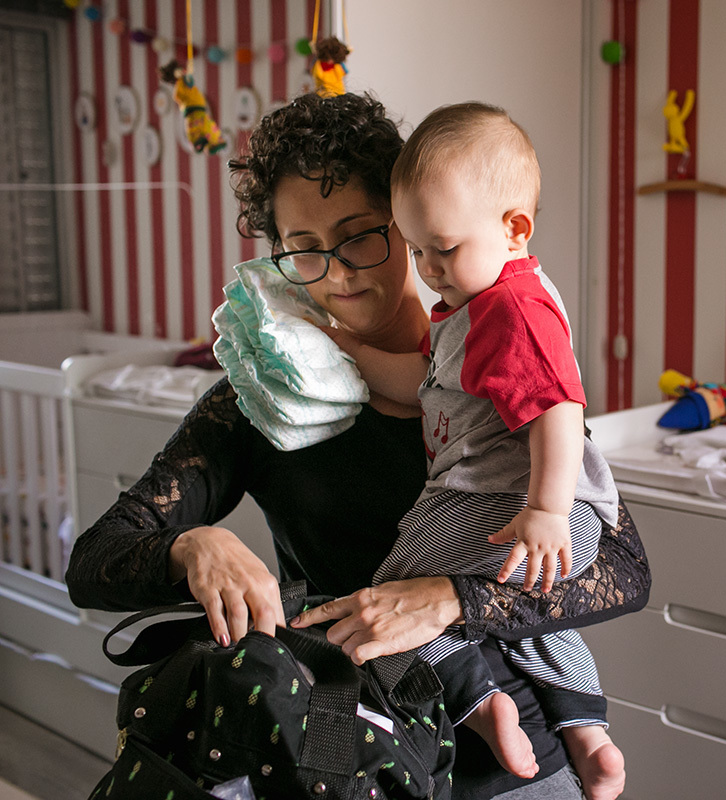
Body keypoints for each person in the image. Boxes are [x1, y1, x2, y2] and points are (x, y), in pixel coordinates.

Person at [64, 91, 649, 800]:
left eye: (360, 235)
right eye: (304, 251)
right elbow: (96, 558)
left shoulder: (493, 358)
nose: (338, 274)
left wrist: (449, 600)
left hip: (516, 759)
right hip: (345, 741)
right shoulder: (262, 401)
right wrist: (193, 547)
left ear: (407, 227)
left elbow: (621, 565)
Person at [314, 102, 618, 789]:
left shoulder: (514, 308)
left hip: (519, 502)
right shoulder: (472, 309)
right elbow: (418, 382)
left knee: (390, 595)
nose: (428, 268)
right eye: (417, 249)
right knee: (525, 608)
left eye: (442, 249)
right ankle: (583, 723)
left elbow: (559, 409)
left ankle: (483, 707)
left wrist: (544, 508)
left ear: (514, 229)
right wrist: (349, 349)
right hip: (526, 507)